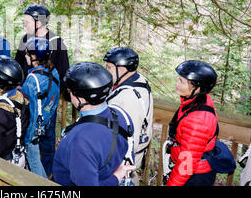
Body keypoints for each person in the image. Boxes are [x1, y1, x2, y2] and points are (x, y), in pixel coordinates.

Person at [52, 62, 135, 186]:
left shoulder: (80, 141)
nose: (70, 94)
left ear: (82, 99)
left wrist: (116, 177)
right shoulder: (121, 115)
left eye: (71, 91)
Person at [14, 4, 69, 177]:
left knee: (46, 140)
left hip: (46, 104)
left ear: (39, 22)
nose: (24, 24)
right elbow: (17, 66)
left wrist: (51, 100)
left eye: (27, 21)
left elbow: (63, 74)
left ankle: (47, 175)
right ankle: (29, 171)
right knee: (25, 135)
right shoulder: (25, 40)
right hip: (25, 100)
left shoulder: (56, 43)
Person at [164, 60, 219, 186]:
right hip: (192, 168)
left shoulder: (197, 121)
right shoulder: (197, 100)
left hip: (194, 177)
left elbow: (186, 166)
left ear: (198, 88)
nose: (176, 84)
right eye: (178, 79)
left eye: (182, 81)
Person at [103, 47, 153, 185]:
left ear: (123, 69)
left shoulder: (127, 99)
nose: (106, 71)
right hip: (132, 161)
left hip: (122, 163)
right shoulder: (139, 81)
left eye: (110, 68)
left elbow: (128, 139)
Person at [21, 37, 60, 178]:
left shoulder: (32, 80)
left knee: (34, 161)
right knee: (39, 158)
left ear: (34, 57)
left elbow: (29, 111)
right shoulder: (54, 72)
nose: (25, 56)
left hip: (34, 128)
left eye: (27, 53)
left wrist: (27, 139)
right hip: (47, 120)